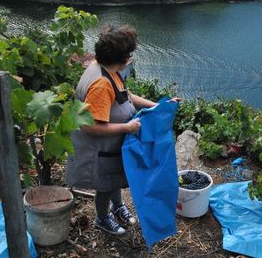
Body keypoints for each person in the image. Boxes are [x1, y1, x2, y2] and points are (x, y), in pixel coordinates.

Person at [66, 25, 180, 235]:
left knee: (114, 177)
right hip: (100, 149)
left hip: (112, 147)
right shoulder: (100, 84)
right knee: (105, 185)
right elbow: (89, 126)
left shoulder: (106, 69)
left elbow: (126, 97)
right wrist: (127, 127)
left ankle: (117, 206)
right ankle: (101, 218)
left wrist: (158, 105)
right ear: (124, 59)